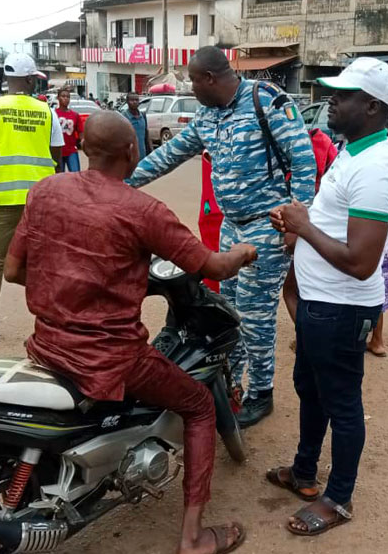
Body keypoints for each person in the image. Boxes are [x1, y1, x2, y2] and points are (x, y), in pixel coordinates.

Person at [4, 111, 255, 554]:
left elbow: (14, 270)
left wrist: (70, 291)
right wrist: (243, 250)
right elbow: (213, 267)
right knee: (198, 405)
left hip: (47, 344)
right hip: (111, 357)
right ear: (133, 151)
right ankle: (193, 539)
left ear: (81, 147)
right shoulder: (143, 210)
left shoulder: (44, 191)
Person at [126, 46, 316, 428]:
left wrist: (298, 222)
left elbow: (304, 160)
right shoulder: (208, 116)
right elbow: (170, 155)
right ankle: (231, 384)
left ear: (209, 79)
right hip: (232, 225)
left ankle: (261, 393)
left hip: (269, 224)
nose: (190, 88)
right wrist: (118, 183)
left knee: (255, 315)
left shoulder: (265, 102)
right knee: (226, 310)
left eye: (193, 81)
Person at [268, 57, 388, 536]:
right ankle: (305, 472)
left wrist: (304, 227)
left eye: (342, 96)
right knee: (311, 389)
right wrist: (300, 227)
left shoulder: (376, 170)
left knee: (342, 403)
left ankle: (339, 498)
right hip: (319, 302)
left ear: (372, 107)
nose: (331, 101)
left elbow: (362, 260)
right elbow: (335, 227)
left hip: (341, 308)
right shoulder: (353, 153)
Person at [0, 52, 64, 343]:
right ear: (31, 80)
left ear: (7, 79)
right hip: (41, 204)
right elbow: (56, 158)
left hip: (3, 202)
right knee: (44, 264)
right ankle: (57, 324)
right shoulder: (48, 112)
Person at [367, 234, 388, 356]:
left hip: (366, 246)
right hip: (384, 245)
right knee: (378, 287)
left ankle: (376, 341)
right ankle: (377, 340)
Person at [54, 88, 83, 172]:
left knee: (76, 175)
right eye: (63, 96)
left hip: (71, 151)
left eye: (68, 97)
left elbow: (80, 132)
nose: (66, 98)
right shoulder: (54, 113)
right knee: (59, 177)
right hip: (58, 152)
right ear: (58, 98)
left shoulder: (75, 115)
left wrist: (82, 141)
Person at [121, 92, 152, 160]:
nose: (135, 102)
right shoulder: (123, 117)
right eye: (132, 100)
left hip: (143, 155)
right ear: (127, 102)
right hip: (130, 158)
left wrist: (151, 150)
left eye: (136, 100)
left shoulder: (143, 115)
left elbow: (146, 134)